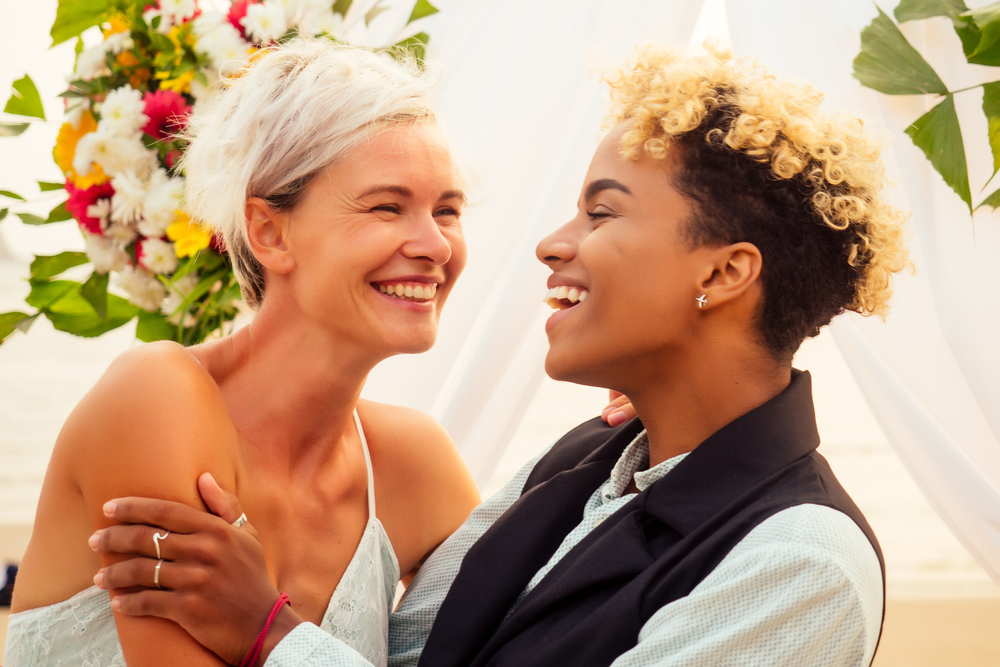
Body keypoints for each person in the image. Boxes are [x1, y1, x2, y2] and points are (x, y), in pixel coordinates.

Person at [85, 42, 910, 667]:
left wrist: (270, 631)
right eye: (385, 204)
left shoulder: (803, 564)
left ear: (725, 272)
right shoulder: (579, 467)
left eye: (602, 213)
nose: (552, 244)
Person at [4, 40, 488, 667]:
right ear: (268, 231)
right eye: (386, 207)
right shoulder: (157, 397)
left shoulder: (413, 468)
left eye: (447, 211)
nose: (435, 245)